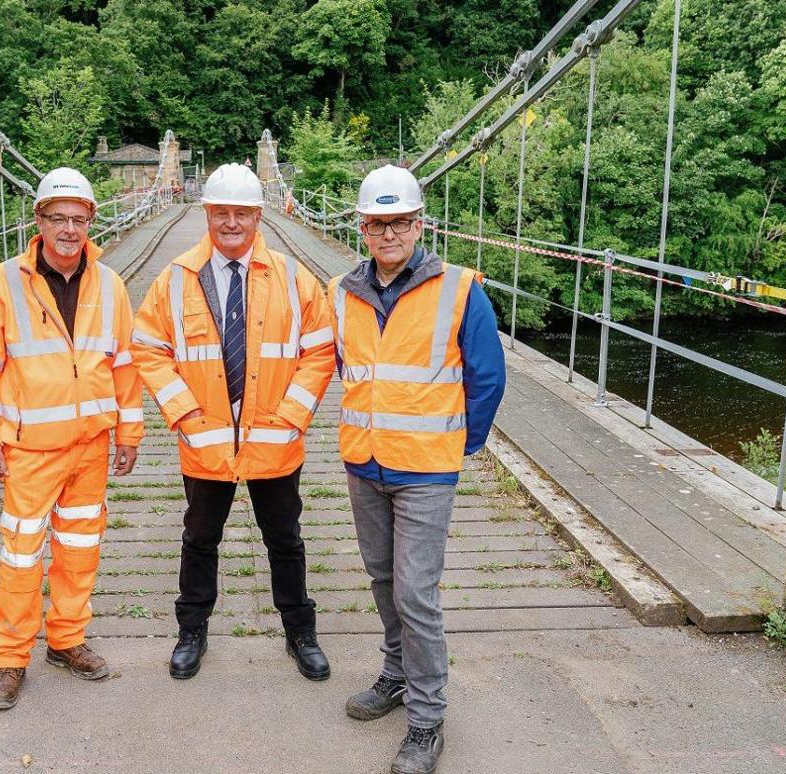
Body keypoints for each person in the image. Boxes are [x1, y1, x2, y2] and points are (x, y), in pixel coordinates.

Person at [329, 165, 506, 774]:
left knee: (415, 593)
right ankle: (397, 673)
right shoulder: (342, 291)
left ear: (419, 224)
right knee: (383, 581)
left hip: (427, 469)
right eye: (378, 223)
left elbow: (488, 375)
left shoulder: (460, 289)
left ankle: (428, 719)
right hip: (364, 462)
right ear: (363, 227)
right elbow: (339, 367)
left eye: (400, 222)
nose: (389, 233)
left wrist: (459, 445)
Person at [131, 163, 336, 681]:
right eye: (220, 212)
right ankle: (192, 631)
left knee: (284, 538)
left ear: (258, 215)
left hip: (274, 438)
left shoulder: (294, 278)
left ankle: (300, 632)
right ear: (206, 213)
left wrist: (292, 416)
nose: (230, 222)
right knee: (200, 537)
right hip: (207, 440)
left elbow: (320, 350)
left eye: (241, 213)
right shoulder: (175, 278)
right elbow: (149, 349)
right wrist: (184, 414)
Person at [0, 167, 144, 710]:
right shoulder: (3, 283)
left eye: (78, 219)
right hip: (29, 450)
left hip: (91, 448)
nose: (68, 229)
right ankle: (10, 659)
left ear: (90, 223)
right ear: (38, 221)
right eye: (57, 218)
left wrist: (129, 428)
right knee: (21, 555)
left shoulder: (111, 284)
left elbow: (124, 365)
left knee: (80, 549)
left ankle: (65, 639)